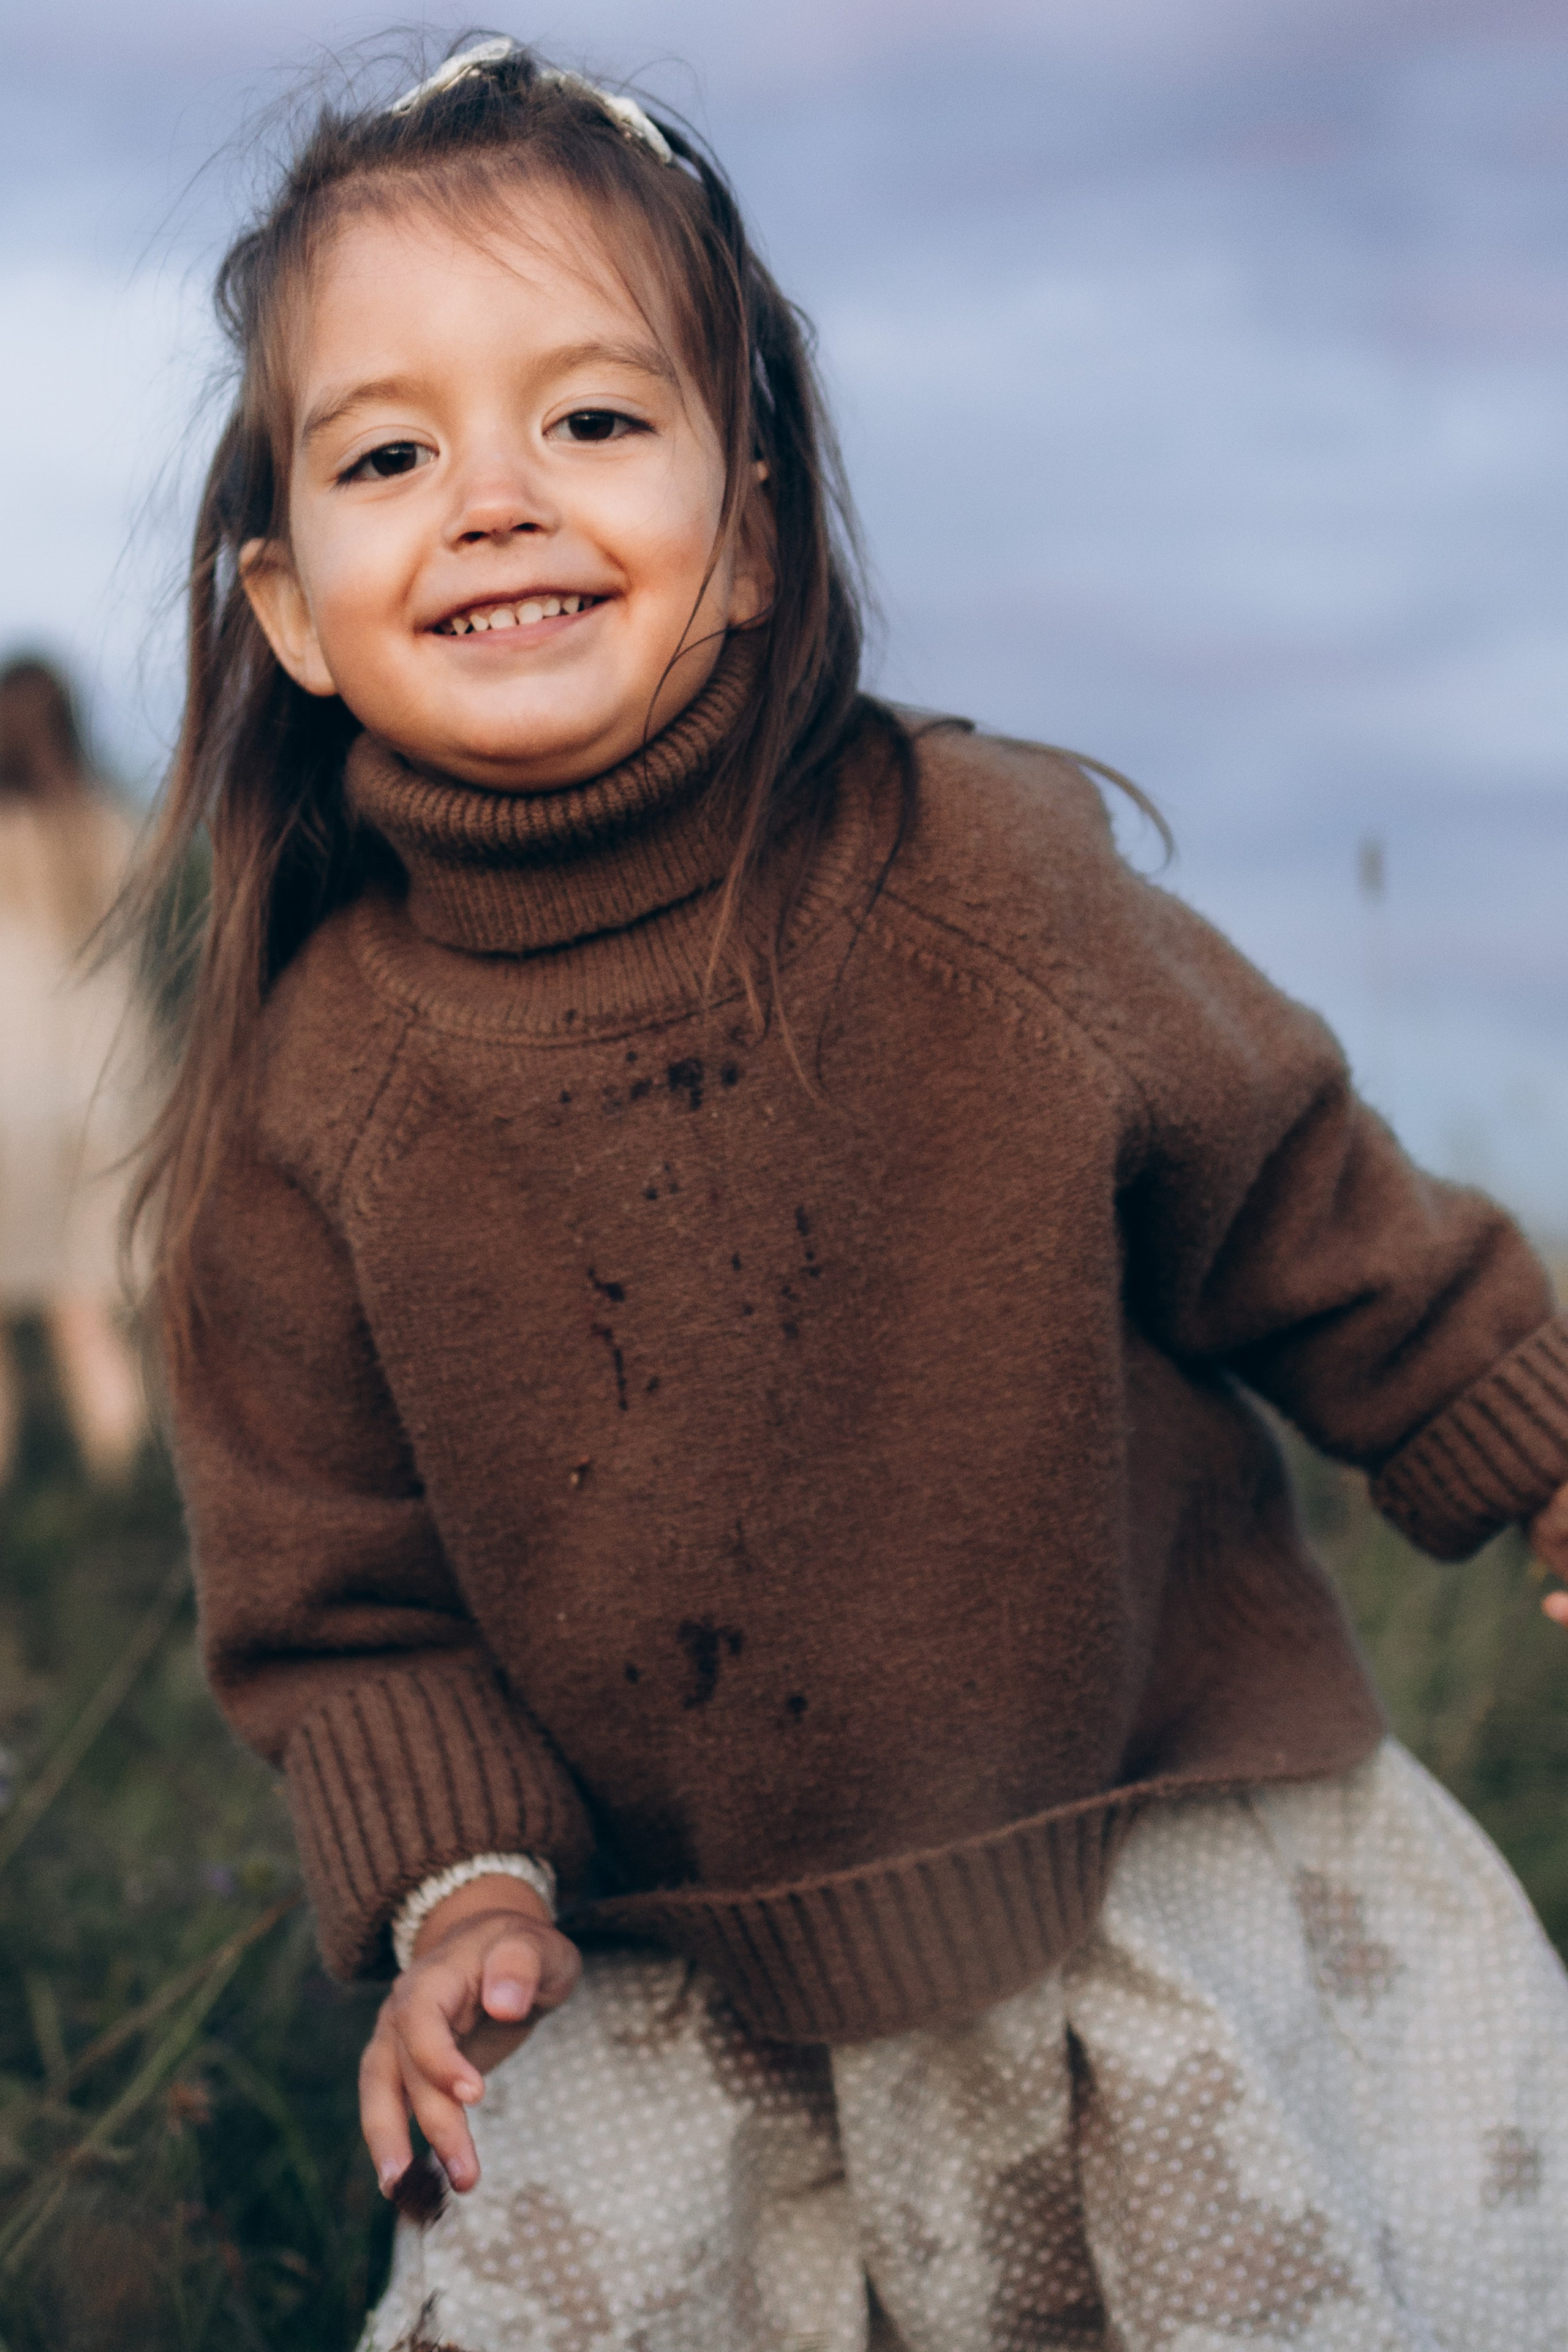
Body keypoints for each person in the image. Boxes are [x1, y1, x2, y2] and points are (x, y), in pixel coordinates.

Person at [140, 37, 1568, 2351]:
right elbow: (340, 1593)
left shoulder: (976, 884)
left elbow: (1295, 1188)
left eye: (593, 420)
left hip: (1122, 1853)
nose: (495, 493)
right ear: (294, 608)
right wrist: (463, 1888)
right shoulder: (324, 1090)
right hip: (674, 1959)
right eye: (391, 453)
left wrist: (1525, 1427)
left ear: (758, 537)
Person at [0, 657, 145, 1483]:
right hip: (103, 1102)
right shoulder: (112, 833)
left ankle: (24, 1548)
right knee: (86, 1317)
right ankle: (120, 1498)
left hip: (6, 1105)